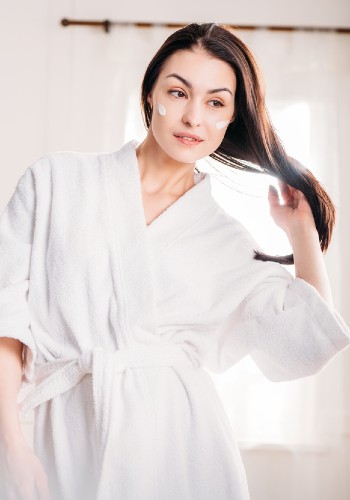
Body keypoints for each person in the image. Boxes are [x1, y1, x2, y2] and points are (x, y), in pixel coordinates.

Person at [0, 22, 349, 500]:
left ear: (231, 118)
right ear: (149, 95)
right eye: (178, 92)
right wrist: (12, 444)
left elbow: (306, 341)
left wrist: (302, 233)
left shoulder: (226, 241)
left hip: (179, 448)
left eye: (215, 102)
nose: (192, 117)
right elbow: (8, 322)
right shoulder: (56, 180)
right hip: (59, 431)